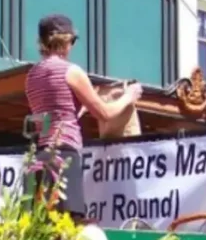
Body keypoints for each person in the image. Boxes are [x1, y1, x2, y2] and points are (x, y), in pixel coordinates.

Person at [24, 13, 141, 220]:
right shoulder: (71, 71)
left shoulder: (32, 76)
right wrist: (128, 97)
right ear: (66, 40)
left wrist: (79, 109)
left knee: (41, 223)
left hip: (40, 154)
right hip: (64, 154)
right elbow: (105, 114)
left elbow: (52, 115)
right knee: (70, 222)